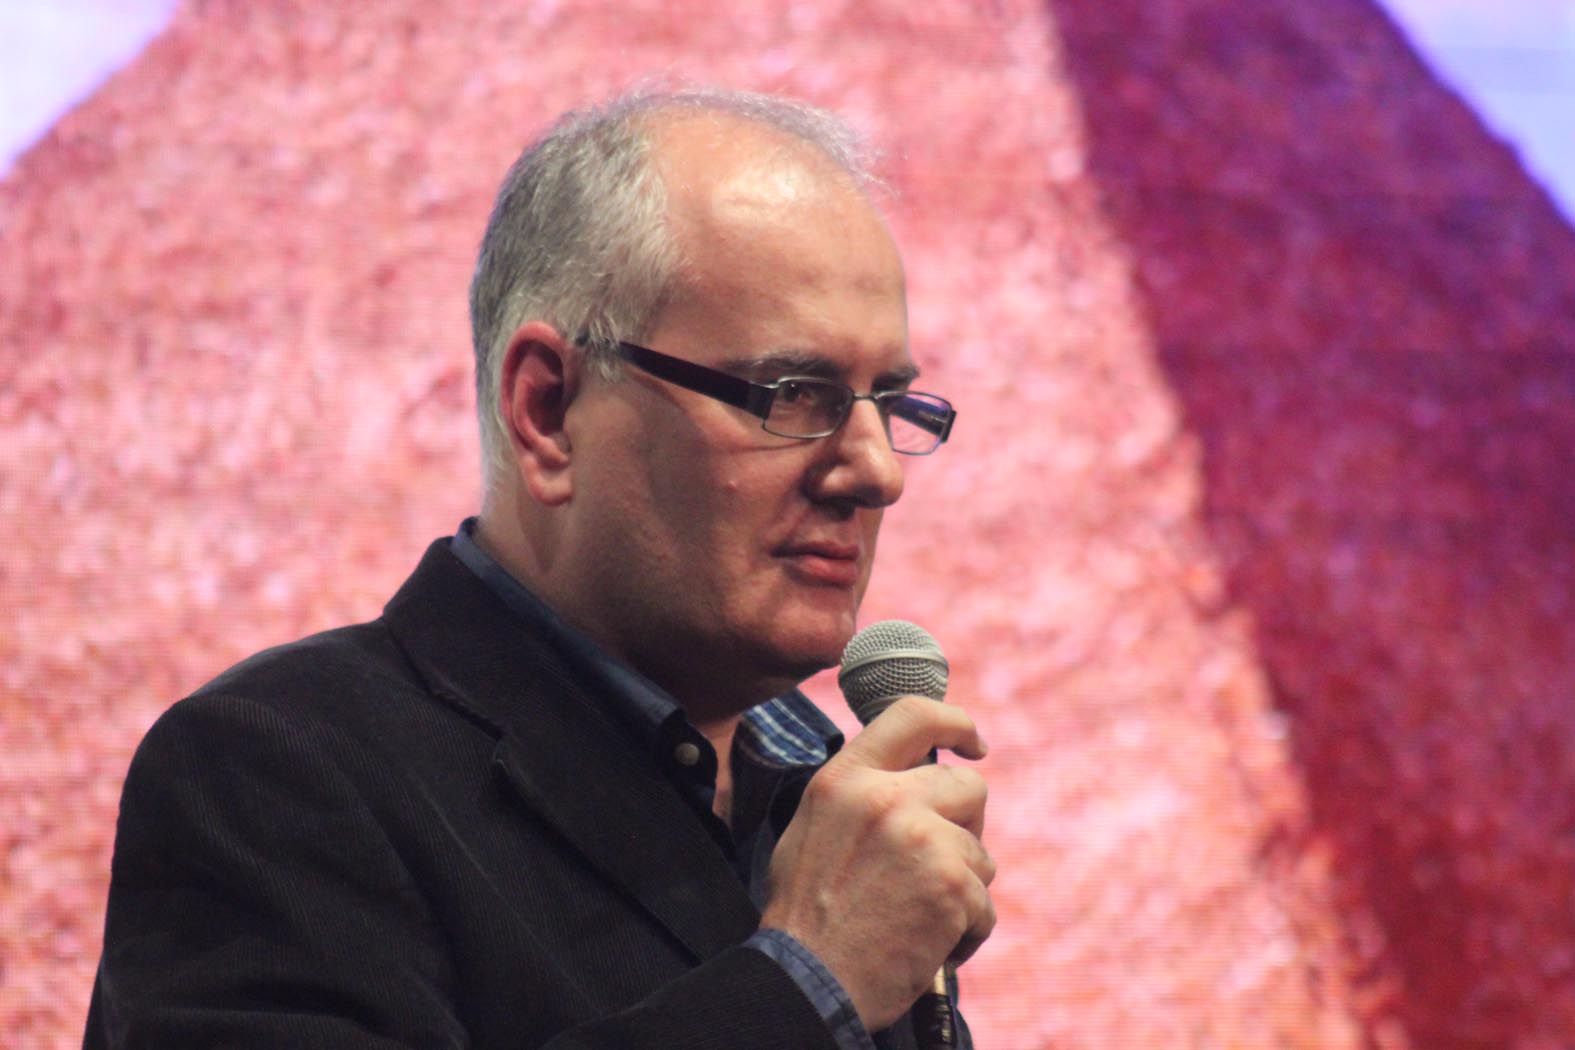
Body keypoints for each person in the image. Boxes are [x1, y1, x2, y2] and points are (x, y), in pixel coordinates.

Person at [84, 87, 994, 1050]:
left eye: (889, 402)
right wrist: (808, 984)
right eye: (793, 393)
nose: (877, 472)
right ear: (548, 410)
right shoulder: (276, 772)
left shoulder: (831, 804)